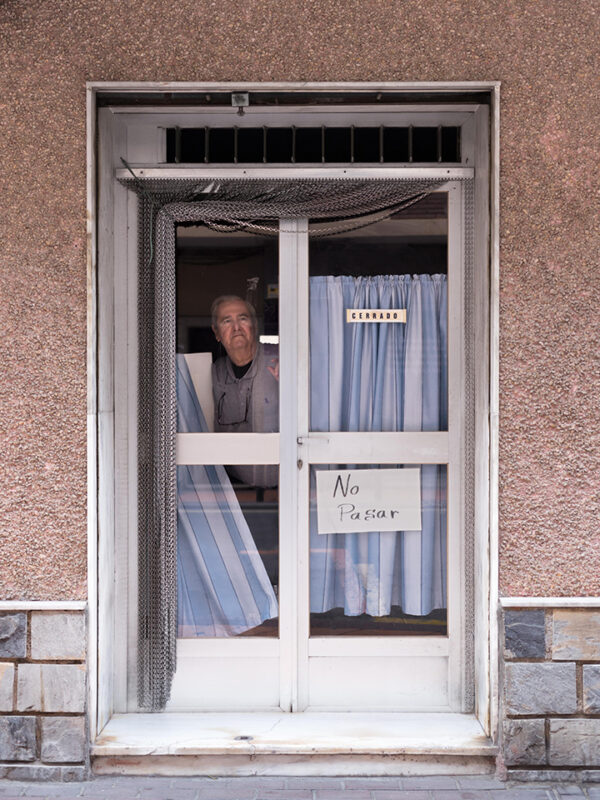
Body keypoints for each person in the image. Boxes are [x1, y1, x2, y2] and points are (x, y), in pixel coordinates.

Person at [211, 295, 279, 488]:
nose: (236, 327)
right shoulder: (215, 372)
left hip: (286, 487)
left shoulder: (279, 360)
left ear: (254, 327)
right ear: (217, 333)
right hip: (236, 488)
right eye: (227, 321)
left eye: (243, 318)